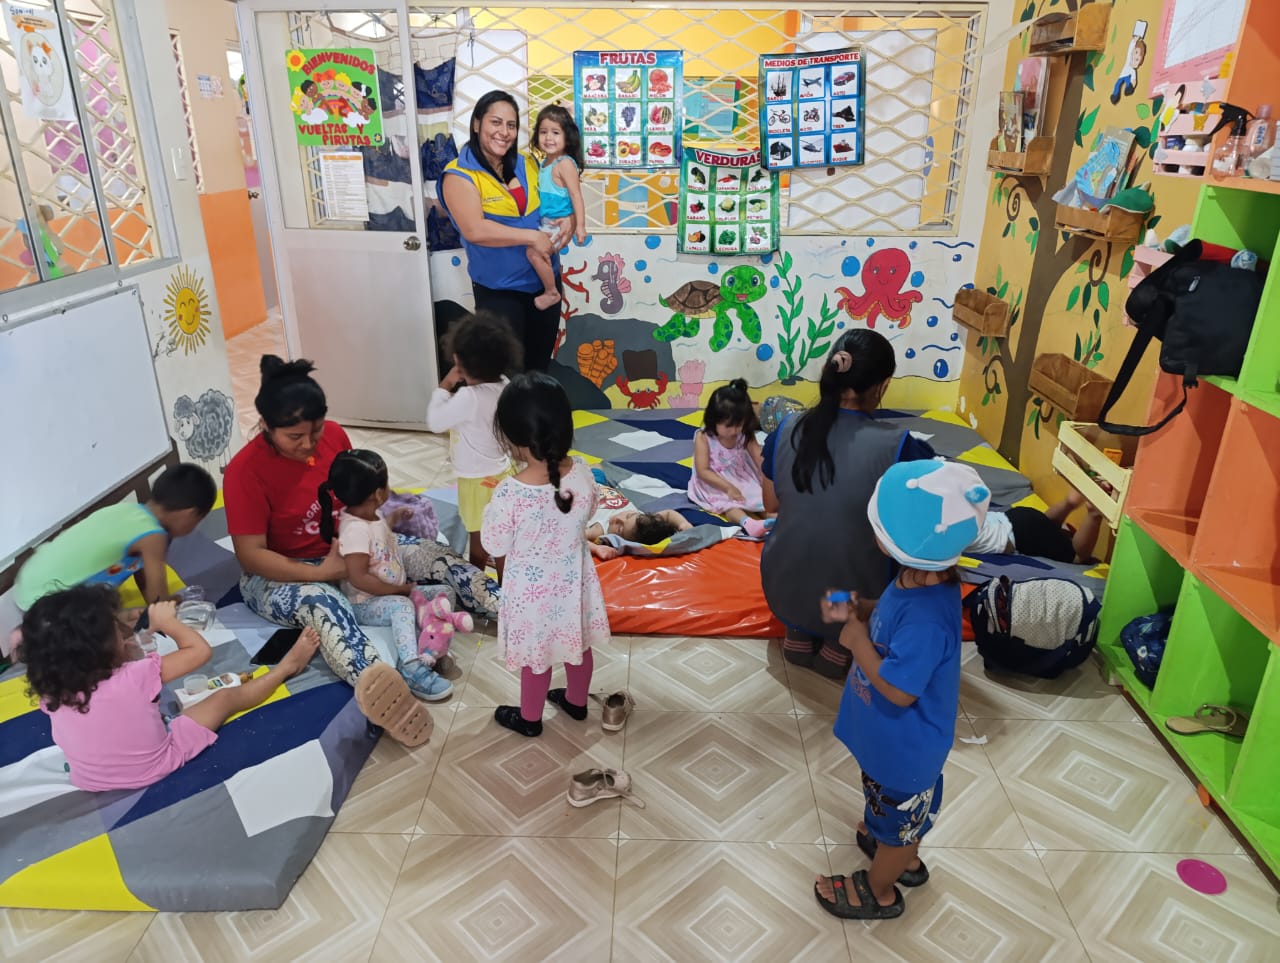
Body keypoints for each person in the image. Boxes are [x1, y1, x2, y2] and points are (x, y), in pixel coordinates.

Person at [223, 355, 498, 747]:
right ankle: (390, 691)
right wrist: (322, 573)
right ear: (266, 425)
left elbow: (360, 502)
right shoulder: (244, 471)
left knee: (435, 556)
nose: (309, 444)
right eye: (295, 437)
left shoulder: (335, 436)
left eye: (316, 431)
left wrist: (386, 525)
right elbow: (251, 555)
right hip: (286, 573)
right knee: (325, 608)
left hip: (355, 550)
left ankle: (511, 606)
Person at [813, 460, 989, 920]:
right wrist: (862, 607)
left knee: (900, 824)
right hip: (889, 744)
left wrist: (857, 641)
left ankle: (880, 889)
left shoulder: (929, 618)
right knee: (890, 811)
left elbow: (899, 690)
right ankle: (899, 851)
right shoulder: (919, 576)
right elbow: (895, 609)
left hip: (907, 751)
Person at [20, 586, 319, 792]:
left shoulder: (52, 689)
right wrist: (168, 622)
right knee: (225, 697)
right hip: (152, 767)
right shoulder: (137, 676)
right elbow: (200, 652)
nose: (123, 633)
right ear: (105, 649)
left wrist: (128, 639)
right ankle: (287, 667)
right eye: (117, 630)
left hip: (89, 779)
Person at [760, 330, 936, 679]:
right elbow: (918, 523)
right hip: (847, 594)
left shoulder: (787, 428)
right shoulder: (900, 447)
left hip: (784, 584)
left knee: (814, 555)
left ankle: (798, 631)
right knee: (881, 553)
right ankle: (838, 641)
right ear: (882, 386)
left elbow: (770, 503)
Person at [481, 373, 611, 737]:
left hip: (532, 599)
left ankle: (529, 718)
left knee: (535, 660)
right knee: (579, 646)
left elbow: (494, 545)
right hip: (574, 586)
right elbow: (590, 510)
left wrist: (491, 509)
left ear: (513, 438)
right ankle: (576, 701)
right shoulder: (582, 471)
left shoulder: (510, 492)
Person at [439, 91, 573, 373]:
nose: (504, 132)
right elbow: (475, 230)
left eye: (511, 125)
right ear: (477, 124)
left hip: (545, 284)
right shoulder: (459, 174)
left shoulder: (528, 163)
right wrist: (532, 237)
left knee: (538, 370)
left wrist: (569, 219)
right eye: (496, 122)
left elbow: (554, 200)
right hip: (500, 292)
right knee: (504, 375)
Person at [319, 450, 452, 700]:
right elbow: (358, 578)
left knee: (443, 593)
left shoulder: (372, 513)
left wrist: (392, 518)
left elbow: (378, 536)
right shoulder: (354, 530)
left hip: (391, 591)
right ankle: (411, 668)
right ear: (378, 493)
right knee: (402, 606)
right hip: (365, 603)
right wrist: (398, 591)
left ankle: (431, 645)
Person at [14, 462, 217, 612]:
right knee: (114, 638)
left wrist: (158, 602)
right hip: (46, 602)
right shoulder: (153, 537)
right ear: (188, 514)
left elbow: (144, 576)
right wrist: (166, 604)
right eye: (198, 520)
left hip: (29, 583)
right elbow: (157, 599)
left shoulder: (129, 511)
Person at [425, 312, 521, 574]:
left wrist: (445, 385)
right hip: (503, 475)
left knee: (478, 540)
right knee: (502, 539)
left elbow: (435, 422)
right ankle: (505, 587)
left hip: (476, 481)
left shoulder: (469, 397)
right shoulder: (505, 384)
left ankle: (476, 584)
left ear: (457, 360)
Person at [687, 379, 770, 536]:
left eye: (738, 425)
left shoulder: (745, 434)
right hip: (715, 482)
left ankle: (773, 519)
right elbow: (703, 471)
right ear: (714, 419)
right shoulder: (704, 437)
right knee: (728, 504)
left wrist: (768, 479)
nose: (734, 431)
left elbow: (759, 457)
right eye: (728, 426)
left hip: (741, 476)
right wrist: (728, 488)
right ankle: (748, 523)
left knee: (762, 497)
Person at [527, 104, 587, 310]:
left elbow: (576, 195)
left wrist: (580, 226)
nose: (548, 138)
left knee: (534, 253)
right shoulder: (544, 163)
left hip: (556, 224)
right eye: (543, 132)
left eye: (555, 132)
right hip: (546, 222)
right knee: (538, 253)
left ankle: (552, 292)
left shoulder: (564, 163)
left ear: (567, 137)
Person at [966, 486, 1103, 564]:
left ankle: (1093, 514)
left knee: (1078, 557)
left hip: (1020, 536)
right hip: (1014, 516)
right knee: (1045, 525)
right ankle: (1069, 503)